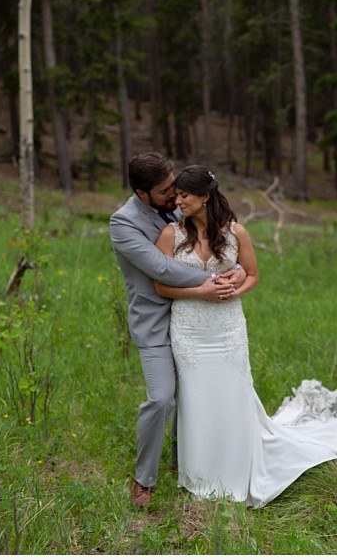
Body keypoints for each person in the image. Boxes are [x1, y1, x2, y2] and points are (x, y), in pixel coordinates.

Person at [154, 164, 337, 508]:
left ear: (205, 197)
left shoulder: (236, 232)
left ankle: (237, 469)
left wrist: (235, 289)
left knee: (232, 396)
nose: (178, 201)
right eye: (176, 195)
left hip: (227, 330)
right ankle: (202, 475)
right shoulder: (171, 236)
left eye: (184, 195)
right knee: (195, 399)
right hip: (190, 330)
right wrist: (201, 292)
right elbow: (160, 285)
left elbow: (252, 275)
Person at [110, 152, 246, 508]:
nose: (175, 195)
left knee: (196, 394)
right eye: (166, 191)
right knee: (161, 398)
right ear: (143, 194)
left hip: (197, 322)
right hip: (157, 322)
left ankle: (185, 460)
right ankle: (144, 480)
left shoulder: (178, 206)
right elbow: (161, 269)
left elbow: (218, 240)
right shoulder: (123, 224)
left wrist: (241, 271)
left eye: (176, 187)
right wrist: (218, 280)